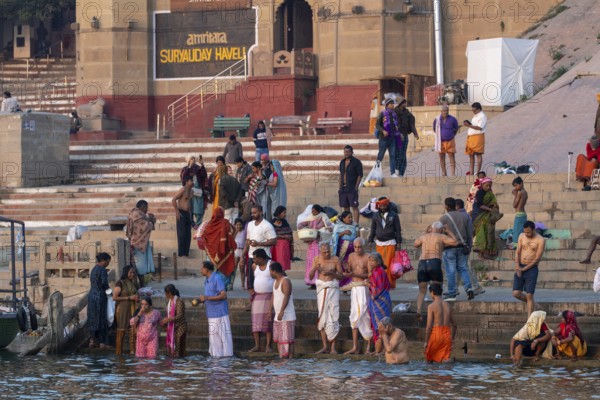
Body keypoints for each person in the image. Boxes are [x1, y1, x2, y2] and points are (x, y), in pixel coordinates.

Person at [414, 222, 457, 319]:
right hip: (434, 263)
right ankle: (437, 309)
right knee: (437, 289)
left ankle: (418, 310)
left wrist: (425, 232)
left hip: (422, 264)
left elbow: (415, 244)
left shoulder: (423, 237)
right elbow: (455, 242)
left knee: (422, 291)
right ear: (441, 229)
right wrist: (449, 231)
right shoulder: (441, 236)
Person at [310, 243, 343, 354]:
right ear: (320, 251)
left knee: (334, 316)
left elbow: (341, 276)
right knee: (322, 317)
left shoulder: (336, 259)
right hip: (321, 289)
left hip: (332, 289)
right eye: (324, 252)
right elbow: (310, 277)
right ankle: (325, 346)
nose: (327, 254)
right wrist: (315, 267)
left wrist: (331, 274)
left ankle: (333, 347)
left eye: (328, 251)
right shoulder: (316, 259)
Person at [439, 197, 474, 301]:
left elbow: (438, 234)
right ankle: (469, 289)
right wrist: (469, 246)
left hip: (449, 248)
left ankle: (452, 293)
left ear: (447, 206)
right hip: (463, 247)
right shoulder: (465, 216)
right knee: (463, 269)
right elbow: (469, 234)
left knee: (450, 271)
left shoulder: (443, 218)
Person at [343, 238, 373, 355]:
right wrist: (346, 268)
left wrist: (354, 274)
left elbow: (370, 275)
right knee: (354, 316)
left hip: (364, 288)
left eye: (359, 247)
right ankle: (355, 347)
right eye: (355, 247)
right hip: (354, 289)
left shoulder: (368, 257)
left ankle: (368, 348)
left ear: (363, 247)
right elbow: (350, 270)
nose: (357, 249)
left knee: (365, 315)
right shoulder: (351, 256)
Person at [199, 261, 233, 357]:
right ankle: (216, 358)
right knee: (214, 338)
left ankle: (226, 358)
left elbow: (223, 295)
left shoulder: (216, 278)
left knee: (223, 337)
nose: (200, 270)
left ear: (207, 269)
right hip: (211, 313)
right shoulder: (207, 280)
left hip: (220, 312)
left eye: (202, 268)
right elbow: (210, 295)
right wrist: (202, 299)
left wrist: (207, 298)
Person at [367, 197, 402, 288]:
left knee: (389, 264)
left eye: (384, 205)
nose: (382, 207)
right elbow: (373, 228)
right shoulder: (375, 215)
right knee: (379, 264)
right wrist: (370, 239)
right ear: (378, 206)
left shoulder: (394, 215)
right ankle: (380, 282)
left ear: (387, 205)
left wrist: (399, 242)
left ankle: (389, 284)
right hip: (379, 243)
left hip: (391, 242)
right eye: (381, 206)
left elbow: (398, 230)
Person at [297, 204, 334, 289]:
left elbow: (330, 227)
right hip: (311, 244)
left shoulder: (323, 217)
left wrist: (323, 230)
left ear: (318, 211)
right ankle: (312, 282)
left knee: (319, 262)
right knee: (311, 263)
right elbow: (300, 225)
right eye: (312, 211)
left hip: (320, 244)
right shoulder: (310, 218)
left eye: (314, 211)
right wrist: (305, 229)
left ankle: (320, 281)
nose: (313, 212)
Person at [513, 220, 545, 316]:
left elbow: (537, 259)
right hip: (520, 266)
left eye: (529, 232)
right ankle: (534, 305)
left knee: (529, 294)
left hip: (532, 269)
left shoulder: (540, 240)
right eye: (525, 232)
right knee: (516, 293)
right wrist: (517, 266)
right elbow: (518, 252)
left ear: (534, 229)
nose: (527, 234)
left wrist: (524, 269)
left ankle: (529, 321)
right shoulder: (521, 236)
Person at [241, 205, 277, 289]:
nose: (252, 215)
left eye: (254, 213)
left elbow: (274, 241)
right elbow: (247, 241)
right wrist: (242, 256)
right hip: (251, 257)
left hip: (263, 258)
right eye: (251, 213)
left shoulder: (267, 225)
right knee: (251, 283)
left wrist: (259, 244)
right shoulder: (250, 224)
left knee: (263, 282)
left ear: (261, 212)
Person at [455, 198, 485, 296]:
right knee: (461, 267)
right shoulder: (466, 216)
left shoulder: (460, 216)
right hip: (465, 245)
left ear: (457, 206)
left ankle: (476, 286)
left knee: (464, 267)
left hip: (461, 245)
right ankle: (456, 288)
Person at [203, 207, 237, 290]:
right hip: (224, 251)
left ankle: (211, 287)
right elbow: (233, 231)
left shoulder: (209, 224)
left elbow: (205, 237)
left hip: (211, 253)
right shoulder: (225, 222)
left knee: (210, 270)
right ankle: (222, 288)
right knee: (223, 269)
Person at [248, 249, 274, 352]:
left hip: (269, 296)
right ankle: (257, 345)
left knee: (268, 322)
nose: (253, 260)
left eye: (255, 258)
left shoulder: (271, 264)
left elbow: (281, 276)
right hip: (257, 297)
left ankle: (268, 346)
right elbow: (251, 278)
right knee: (255, 322)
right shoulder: (254, 266)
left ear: (261, 258)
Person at [366, 252, 392, 354]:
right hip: (376, 301)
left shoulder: (379, 272)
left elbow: (378, 289)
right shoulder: (375, 271)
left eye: (373, 261)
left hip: (381, 301)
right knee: (376, 325)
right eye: (370, 260)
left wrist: (368, 284)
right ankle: (380, 350)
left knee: (382, 325)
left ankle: (383, 350)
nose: (371, 263)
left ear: (378, 262)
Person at [126, 200, 156, 286]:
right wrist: (152, 220)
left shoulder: (135, 213)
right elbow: (146, 226)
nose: (147, 209)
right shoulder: (137, 215)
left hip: (136, 243)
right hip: (138, 244)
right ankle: (141, 285)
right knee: (140, 267)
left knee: (137, 265)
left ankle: (140, 284)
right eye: (146, 207)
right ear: (142, 207)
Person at [424, 283, 456, 363]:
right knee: (445, 359)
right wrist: (452, 339)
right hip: (447, 335)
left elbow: (428, 326)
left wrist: (426, 341)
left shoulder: (431, 306)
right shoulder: (448, 305)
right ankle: (449, 363)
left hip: (436, 334)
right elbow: (454, 325)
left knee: (429, 360)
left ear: (432, 292)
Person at [270, 261, 296, 359]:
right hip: (278, 316)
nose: (270, 273)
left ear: (274, 271)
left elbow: (287, 296)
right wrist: (269, 310)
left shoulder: (285, 281)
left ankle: (291, 360)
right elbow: (273, 296)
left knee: (289, 340)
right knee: (280, 340)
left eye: (270, 271)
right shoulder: (275, 281)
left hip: (287, 315)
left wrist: (281, 311)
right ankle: (282, 358)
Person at [472, 177, 503, 259]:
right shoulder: (479, 192)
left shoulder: (490, 193)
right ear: (482, 185)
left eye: (490, 186)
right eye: (487, 186)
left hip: (488, 217)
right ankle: (480, 254)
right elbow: (480, 205)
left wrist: (494, 206)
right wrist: (490, 209)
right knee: (481, 234)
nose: (488, 187)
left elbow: (493, 202)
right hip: (479, 215)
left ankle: (488, 252)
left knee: (488, 233)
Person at [112, 264, 139, 355]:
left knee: (133, 331)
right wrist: (129, 298)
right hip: (122, 310)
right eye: (130, 272)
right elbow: (114, 297)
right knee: (121, 331)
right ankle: (118, 353)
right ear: (126, 272)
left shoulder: (132, 282)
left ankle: (133, 352)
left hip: (132, 309)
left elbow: (134, 294)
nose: (132, 274)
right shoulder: (120, 283)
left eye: (133, 273)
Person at [88, 252, 112, 349]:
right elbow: (104, 283)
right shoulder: (102, 270)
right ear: (103, 261)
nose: (108, 264)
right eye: (107, 262)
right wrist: (110, 293)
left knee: (93, 319)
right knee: (102, 319)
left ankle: (92, 341)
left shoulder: (94, 269)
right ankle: (103, 342)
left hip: (91, 297)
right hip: (100, 297)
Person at [332, 211, 359, 288]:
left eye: (351, 217)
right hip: (343, 249)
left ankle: (350, 283)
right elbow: (334, 237)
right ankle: (343, 284)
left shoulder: (354, 225)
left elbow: (357, 236)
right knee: (343, 265)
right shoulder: (338, 226)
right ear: (343, 218)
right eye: (348, 217)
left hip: (352, 248)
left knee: (351, 265)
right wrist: (343, 232)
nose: (350, 219)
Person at [394, 96, 419, 177]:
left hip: (404, 136)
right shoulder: (394, 112)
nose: (405, 103)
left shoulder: (407, 112)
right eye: (404, 102)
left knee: (403, 155)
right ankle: (396, 171)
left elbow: (411, 123)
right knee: (398, 154)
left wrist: (415, 133)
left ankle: (401, 173)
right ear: (400, 103)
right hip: (397, 136)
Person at [180, 155, 208, 227]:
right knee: (190, 209)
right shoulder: (185, 169)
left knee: (199, 209)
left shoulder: (198, 168)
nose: (193, 160)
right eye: (191, 158)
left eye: (194, 158)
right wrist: (189, 167)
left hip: (198, 191)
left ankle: (198, 224)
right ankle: (191, 223)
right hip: (189, 192)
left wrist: (202, 164)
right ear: (188, 160)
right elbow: (183, 178)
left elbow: (204, 175)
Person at [339, 145, 363, 223]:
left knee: (354, 206)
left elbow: (360, 175)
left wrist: (356, 187)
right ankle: (347, 223)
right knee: (346, 207)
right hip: (343, 188)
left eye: (348, 152)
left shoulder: (356, 162)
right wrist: (340, 187)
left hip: (352, 188)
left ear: (352, 152)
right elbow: (341, 174)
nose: (347, 153)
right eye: (345, 152)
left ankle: (356, 224)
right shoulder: (342, 162)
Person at [161, 284, 187, 358]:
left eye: (165, 293)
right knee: (170, 350)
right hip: (172, 327)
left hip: (180, 327)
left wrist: (168, 319)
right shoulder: (169, 301)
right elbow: (168, 314)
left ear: (169, 293)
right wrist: (165, 322)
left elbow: (180, 316)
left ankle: (179, 365)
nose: (165, 295)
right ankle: (172, 363)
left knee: (178, 348)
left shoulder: (179, 301)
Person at [375, 98, 399, 177]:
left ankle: (392, 173)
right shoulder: (382, 114)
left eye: (393, 103)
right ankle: (376, 171)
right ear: (387, 105)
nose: (393, 105)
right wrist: (383, 131)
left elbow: (396, 124)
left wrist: (398, 131)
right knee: (380, 155)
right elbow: (377, 125)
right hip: (383, 139)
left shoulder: (394, 114)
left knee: (393, 155)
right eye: (391, 104)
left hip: (392, 138)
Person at [433, 104, 459, 176]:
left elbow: (456, 128)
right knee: (441, 157)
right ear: (441, 111)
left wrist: (451, 135)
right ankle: (444, 173)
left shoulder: (453, 119)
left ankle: (453, 173)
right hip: (440, 141)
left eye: (447, 111)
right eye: (444, 111)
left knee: (451, 156)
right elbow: (434, 129)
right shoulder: (437, 119)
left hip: (450, 140)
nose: (445, 112)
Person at [172, 176, 194, 257]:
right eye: (191, 180)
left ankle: (186, 253)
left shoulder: (192, 191)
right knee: (181, 234)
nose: (193, 182)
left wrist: (191, 216)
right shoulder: (182, 190)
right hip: (181, 213)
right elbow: (173, 199)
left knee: (188, 234)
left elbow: (189, 204)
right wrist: (177, 211)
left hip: (188, 214)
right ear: (187, 181)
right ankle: (181, 254)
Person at [463, 102, 487, 176]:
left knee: (478, 154)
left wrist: (469, 125)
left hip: (478, 136)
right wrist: (469, 124)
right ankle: (471, 172)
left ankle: (478, 171)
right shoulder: (475, 116)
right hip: (471, 137)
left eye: (474, 110)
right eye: (472, 110)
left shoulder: (482, 116)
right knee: (471, 155)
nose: (473, 111)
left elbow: (479, 127)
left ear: (479, 109)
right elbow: (474, 125)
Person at [271, 206, 293, 271]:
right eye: (284, 212)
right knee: (276, 266)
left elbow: (290, 233)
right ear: (279, 213)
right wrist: (283, 236)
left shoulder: (285, 223)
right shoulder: (272, 223)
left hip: (285, 248)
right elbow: (271, 235)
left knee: (283, 267)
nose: (285, 214)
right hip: (276, 248)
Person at [509, 176, 528, 249]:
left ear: (521, 183)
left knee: (517, 230)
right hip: (523, 214)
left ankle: (516, 245)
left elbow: (514, 205)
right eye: (515, 186)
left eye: (517, 185)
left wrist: (515, 195)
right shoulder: (525, 192)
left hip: (519, 214)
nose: (516, 187)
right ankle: (519, 244)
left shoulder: (520, 192)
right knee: (520, 230)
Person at [233, 218, 247, 288]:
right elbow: (232, 240)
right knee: (234, 269)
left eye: (240, 225)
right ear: (235, 225)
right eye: (237, 225)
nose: (238, 226)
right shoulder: (234, 232)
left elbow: (246, 243)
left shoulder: (244, 232)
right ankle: (231, 284)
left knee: (242, 269)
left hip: (242, 251)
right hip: (235, 251)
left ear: (242, 225)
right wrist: (235, 232)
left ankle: (242, 285)